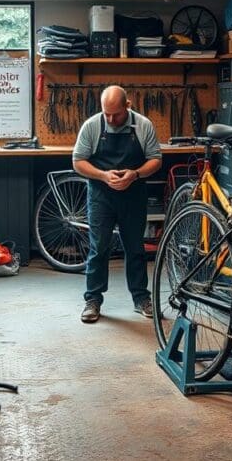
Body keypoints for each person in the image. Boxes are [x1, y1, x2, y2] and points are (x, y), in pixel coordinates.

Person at [73, 85, 162, 323]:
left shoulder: (143, 125)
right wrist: (103, 175)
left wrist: (135, 174)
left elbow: (155, 159)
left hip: (133, 195)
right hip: (101, 196)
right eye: (107, 114)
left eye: (117, 114)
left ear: (128, 106)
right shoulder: (93, 126)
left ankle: (141, 297)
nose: (111, 119)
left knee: (135, 248)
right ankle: (93, 299)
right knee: (98, 248)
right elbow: (78, 161)